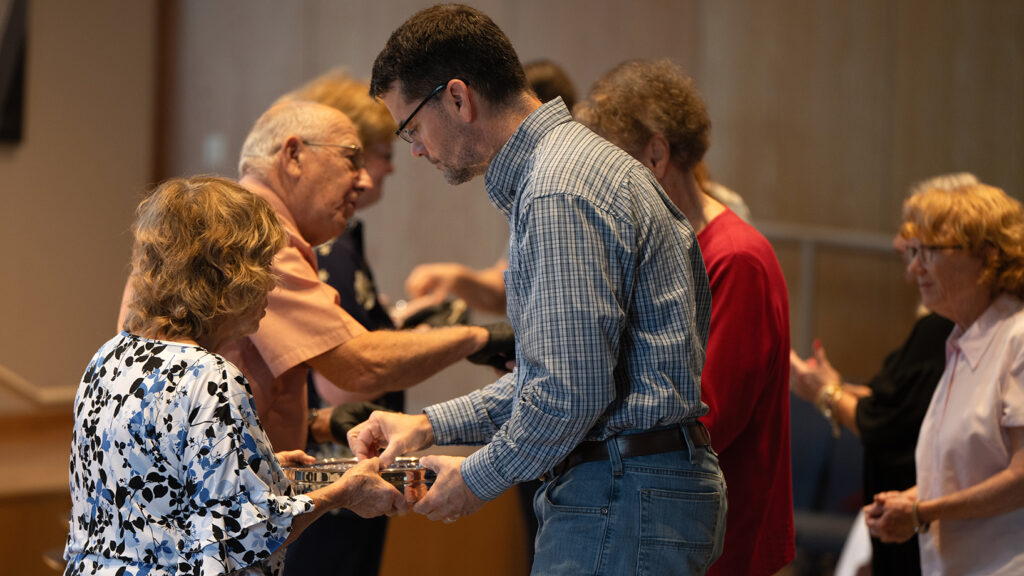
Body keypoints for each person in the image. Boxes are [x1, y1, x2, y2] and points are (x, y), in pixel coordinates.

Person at [351, 5, 725, 575]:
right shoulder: (567, 169)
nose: (417, 150)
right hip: (632, 492)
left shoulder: (557, 190)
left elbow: (567, 395)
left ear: (458, 98)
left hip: (623, 497)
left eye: (411, 127)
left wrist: (473, 480)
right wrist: (427, 426)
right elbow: (556, 376)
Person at [64, 177, 405, 576]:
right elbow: (248, 537)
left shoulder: (109, 357)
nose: (272, 284)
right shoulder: (209, 377)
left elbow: (158, 495)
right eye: (262, 265)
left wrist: (261, 468)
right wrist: (344, 492)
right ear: (224, 276)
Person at [574, 58, 794, 576]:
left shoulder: (735, 259)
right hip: (672, 528)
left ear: (655, 154)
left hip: (719, 541)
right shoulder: (671, 249)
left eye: (610, 164)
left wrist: (579, 412)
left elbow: (704, 416)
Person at [790, 173, 975, 576]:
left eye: (920, 247)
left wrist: (828, 394)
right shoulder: (953, 328)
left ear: (969, 251)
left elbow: (893, 426)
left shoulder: (964, 329)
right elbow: (898, 401)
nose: (907, 260)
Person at [274, 71, 401, 576]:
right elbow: (347, 378)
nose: (374, 176)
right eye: (365, 158)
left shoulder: (337, 241)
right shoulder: (323, 247)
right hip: (330, 472)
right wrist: (469, 338)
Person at [865, 182, 1024, 575]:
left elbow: (1021, 478)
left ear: (986, 257)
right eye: (915, 251)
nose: (914, 268)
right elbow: (970, 471)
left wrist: (922, 511)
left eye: (930, 251)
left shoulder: (1018, 339)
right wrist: (907, 502)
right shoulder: (962, 342)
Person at [401, 59, 579, 317]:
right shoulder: (532, 183)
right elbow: (508, 290)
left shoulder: (553, 189)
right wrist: (456, 278)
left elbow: (568, 329)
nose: (417, 151)